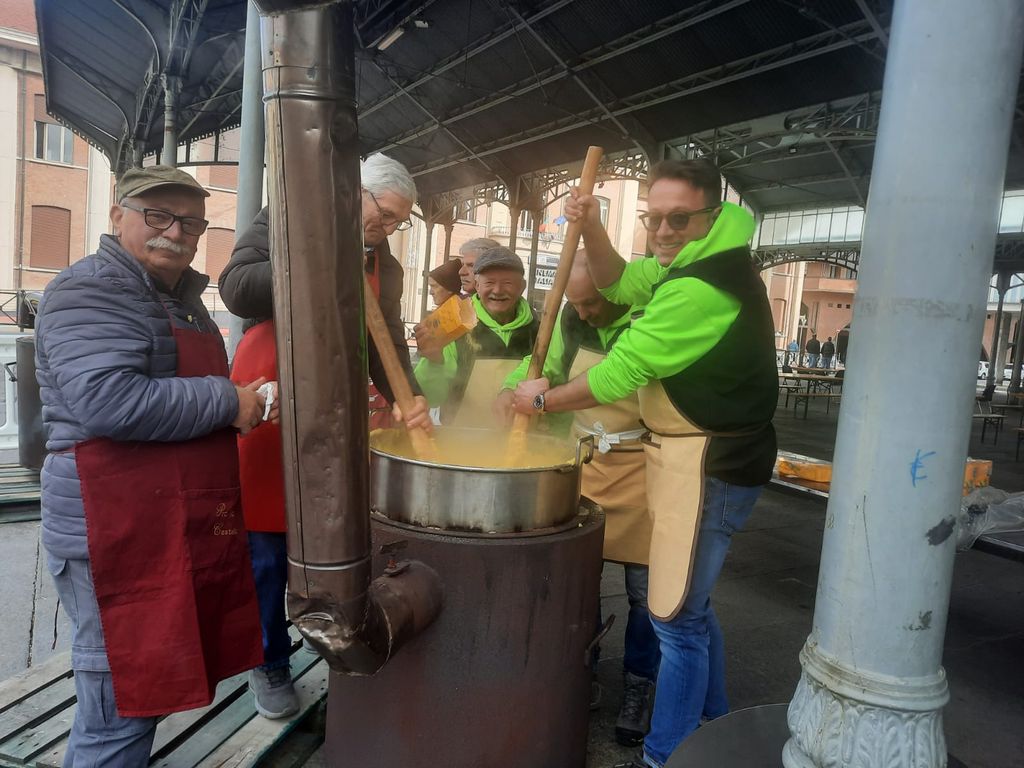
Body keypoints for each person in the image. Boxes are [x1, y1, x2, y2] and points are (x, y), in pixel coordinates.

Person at [510, 159, 777, 768]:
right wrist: (592, 226)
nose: (662, 231)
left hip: (711, 462)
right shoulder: (692, 258)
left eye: (678, 218)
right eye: (652, 218)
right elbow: (621, 283)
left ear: (712, 214)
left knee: (675, 618)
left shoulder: (700, 287)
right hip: (691, 455)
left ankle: (663, 756)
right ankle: (712, 720)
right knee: (692, 605)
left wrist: (542, 400)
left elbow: (621, 372)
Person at [34, 166, 269, 764]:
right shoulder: (90, 290)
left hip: (157, 524)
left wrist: (237, 407)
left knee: (142, 695)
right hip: (109, 528)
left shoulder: (178, 300)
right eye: (158, 216)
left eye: (190, 223)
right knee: (121, 704)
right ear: (118, 216)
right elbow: (108, 400)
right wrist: (229, 401)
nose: (175, 232)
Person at [220, 152, 429, 718]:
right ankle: (269, 659)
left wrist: (409, 397)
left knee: (334, 537)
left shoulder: (387, 265)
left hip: (338, 407)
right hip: (272, 396)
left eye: (398, 222)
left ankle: (332, 641)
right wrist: (320, 257)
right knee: (267, 544)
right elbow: (237, 287)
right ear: (355, 192)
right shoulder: (286, 214)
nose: (388, 229)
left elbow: (387, 341)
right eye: (386, 215)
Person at [498, 252, 659, 746]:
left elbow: (616, 380)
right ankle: (582, 670)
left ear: (617, 291)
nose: (583, 313)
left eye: (591, 304)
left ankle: (639, 685)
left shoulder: (650, 319)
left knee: (646, 595)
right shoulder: (570, 319)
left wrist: (543, 399)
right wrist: (512, 389)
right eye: (577, 304)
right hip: (586, 462)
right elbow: (540, 365)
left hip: (644, 470)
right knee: (581, 580)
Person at [416, 246, 538, 427]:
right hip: (462, 438)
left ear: (522, 287)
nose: (498, 290)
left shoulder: (539, 329)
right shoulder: (455, 325)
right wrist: (434, 362)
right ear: (477, 286)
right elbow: (432, 397)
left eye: (507, 283)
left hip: (520, 438)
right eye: (489, 283)